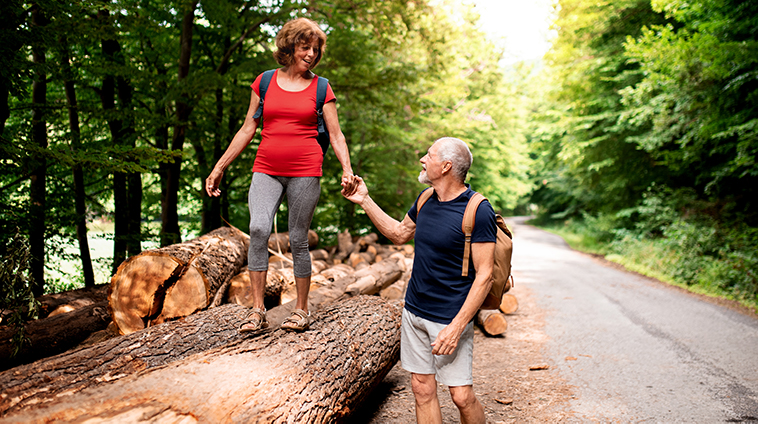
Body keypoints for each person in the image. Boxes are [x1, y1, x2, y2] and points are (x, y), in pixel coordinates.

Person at [206, 17, 357, 333]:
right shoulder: (264, 82)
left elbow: (337, 134)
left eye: (316, 49)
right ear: (289, 47)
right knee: (259, 229)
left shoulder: (321, 87)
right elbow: (249, 128)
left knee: (299, 238)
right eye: (305, 47)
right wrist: (219, 167)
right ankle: (257, 309)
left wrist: (347, 169)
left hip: (305, 171)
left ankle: (301, 310)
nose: (311, 54)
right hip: (266, 169)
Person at [342, 137, 496, 424]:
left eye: (429, 155)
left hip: (450, 317)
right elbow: (399, 233)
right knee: (422, 389)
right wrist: (364, 199)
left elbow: (485, 275)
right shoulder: (425, 199)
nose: (423, 160)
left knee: (461, 395)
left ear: (446, 166)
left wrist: (457, 327)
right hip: (414, 311)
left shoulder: (478, 210)